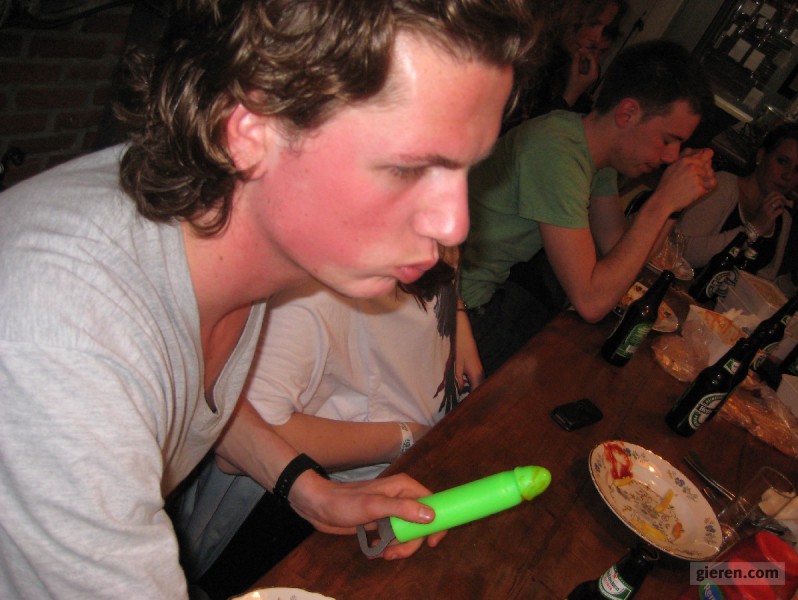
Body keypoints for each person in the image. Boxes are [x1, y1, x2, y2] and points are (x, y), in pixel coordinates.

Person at [0, 1, 540, 597]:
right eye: (409, 167)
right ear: (249, 130)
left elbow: (188, 396)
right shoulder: (63, 341)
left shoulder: (227, 234)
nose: (456, 224)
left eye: (465, 171)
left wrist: (311, 492)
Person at [173, 247, 483, 598]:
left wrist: (456, 313)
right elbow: (238, 431)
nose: (451, 230)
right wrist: (407, 436)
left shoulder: (426, 245)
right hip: (298, 507)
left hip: (366, 482)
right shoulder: (304, 296)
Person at [459, 40, 717, 375]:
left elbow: (621, 251)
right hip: (456, 305)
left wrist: (676, 205)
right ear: (627, 113)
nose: (671, 156)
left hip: (483, 295)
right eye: (668, 140)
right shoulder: (557, 153)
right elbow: (592, 302)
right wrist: (662, 202)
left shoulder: (591, 150)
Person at [679, 124, 798, 280]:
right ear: (761, 156)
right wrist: (752, 231)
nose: (787, 176)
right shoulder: (722, 185)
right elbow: (683, 253)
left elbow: (765, 279)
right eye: (782, 161)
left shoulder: (783, 219)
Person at [502, 0, 625, 134]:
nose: (597, 37)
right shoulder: (522, 48)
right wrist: (571, 94)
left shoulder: (563, 63)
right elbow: (524, 136)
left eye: (604, 28)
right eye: (593, 23)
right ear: (570, 14)